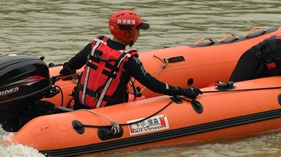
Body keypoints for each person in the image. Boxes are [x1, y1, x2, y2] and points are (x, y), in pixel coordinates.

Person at [59, 10, 202, 109]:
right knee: (141, 99)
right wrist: (183, 91)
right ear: (128, 33)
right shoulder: (128, 60)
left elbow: (70, 67)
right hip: (107, 112)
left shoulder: (94, 46)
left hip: (80, 106)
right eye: (137, 30)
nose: (139, 34)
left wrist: (65, 71)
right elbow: (154, 86)